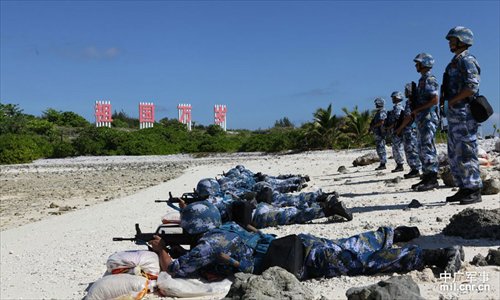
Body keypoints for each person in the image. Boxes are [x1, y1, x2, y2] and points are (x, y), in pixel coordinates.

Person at [150, 201, 464, 280]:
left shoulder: (209, 244)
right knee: (348, 246)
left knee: (360, 263)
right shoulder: (226, 228)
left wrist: (161, 250)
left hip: (294, 260)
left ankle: (433, 256)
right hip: (293, 243)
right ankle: (390, 234)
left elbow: (174, 271)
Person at [442, 26, 482, 204]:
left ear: (462, 40)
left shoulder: (468, 60)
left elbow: (472, 87)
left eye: (453, 39)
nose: (450, 43)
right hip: (455, 114)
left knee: (466, 151)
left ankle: (474, 189)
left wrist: (453, 100)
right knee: (455, 153)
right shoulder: (455, 61)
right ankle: (464, 187)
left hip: (464, 113)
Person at [408, 53, 440, 191]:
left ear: (424, 63)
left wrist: (417, 109)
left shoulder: (429, 79)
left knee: (427, 147)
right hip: (422, 118)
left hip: (428, 118)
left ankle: (432, 178)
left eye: (418, 63)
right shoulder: (422, 80)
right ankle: (426, 176)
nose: (416, 65)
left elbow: (434, 100)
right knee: (421, 147)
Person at [397, 83, 422, 179]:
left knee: (411, 149)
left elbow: (408, 117)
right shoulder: (413, 101)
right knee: (412, 149)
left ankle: (415, 169)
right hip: (413, 128)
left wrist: (400, 128)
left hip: (410, 130)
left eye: (406, 90)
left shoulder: (410, 102)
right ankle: (415, 169)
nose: (405, 92)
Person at [386, 91, 406, 173]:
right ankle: (399, 164)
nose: (392, 99)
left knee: (398, 148)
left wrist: (390, 127)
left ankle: (400, 165)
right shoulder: (397, 107)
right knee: (396, 148)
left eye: (394, 97)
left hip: (397, 130)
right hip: (396, 130)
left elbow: (398, 120)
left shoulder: (398, 108)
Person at [370, 97, 387, 170]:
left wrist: (373, 126)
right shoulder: (379, 112)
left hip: (380, 133)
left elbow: (382, 122)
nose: (375, 105)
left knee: (381, 148)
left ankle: (383, 164)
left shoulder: (382, 112)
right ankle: (382, 163)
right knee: (379, 148)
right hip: (378, 133)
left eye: (376, 103)